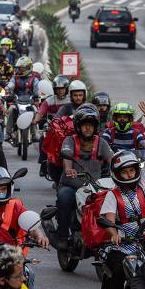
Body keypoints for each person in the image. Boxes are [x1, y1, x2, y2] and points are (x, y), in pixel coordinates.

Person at [99, 103, 145, 289]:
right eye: (124, 172)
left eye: (132, 171)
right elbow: (108, 219)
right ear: (117, 174)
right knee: (117, 272)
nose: (129, 175)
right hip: (123, 246)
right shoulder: (113, 195)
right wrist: (113, 232)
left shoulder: (144, 183)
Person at [55, 104, 114, 249]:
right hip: (72, 185)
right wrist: (69, 169)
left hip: (96, 187)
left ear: (96, 127)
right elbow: (66, 158)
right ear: (78, 126)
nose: (88, 128)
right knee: (64, 197)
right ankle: (62, 235)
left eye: (91, 125)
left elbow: (112, 159)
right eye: (84, 125)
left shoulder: (101, 143)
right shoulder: (69, 141)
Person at [5, 56, 39, 143]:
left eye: (22, 68)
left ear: (28, 67)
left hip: (30, 102)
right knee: (11, 110)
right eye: (19, 68)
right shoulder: (15, 78)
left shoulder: (34, 79)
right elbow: (10, 85)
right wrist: (7, 89)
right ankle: (8, 133)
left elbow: (37, 89)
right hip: (17, 101)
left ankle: (34, 133)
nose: (20, 70)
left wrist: (38, 95)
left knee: (35, 110)